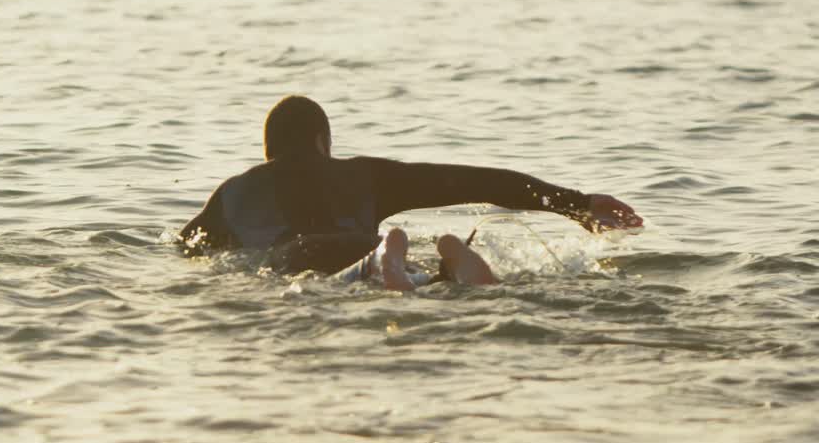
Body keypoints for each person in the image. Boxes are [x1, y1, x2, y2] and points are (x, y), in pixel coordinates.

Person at [179, 95, 643, 291]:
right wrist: (577, 204)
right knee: (425, 285)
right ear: (324, 143)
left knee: (362, 282)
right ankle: (447, 260)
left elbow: (186, 249)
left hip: (299, 258)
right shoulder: (366, 176)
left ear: (268, 151)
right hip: (363, 244)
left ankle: (385, 262)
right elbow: (480, 181)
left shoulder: (234, 193)